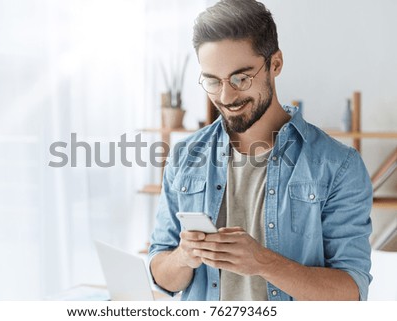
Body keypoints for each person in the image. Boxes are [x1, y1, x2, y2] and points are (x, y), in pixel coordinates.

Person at [148, 0, 372, 301]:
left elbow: (352, 293)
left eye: (241, 78)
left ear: (275, 64)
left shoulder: (338, 165)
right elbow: (161, 275)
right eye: (213, 81)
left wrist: (263, 262)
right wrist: (183, 257)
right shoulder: (185, 157)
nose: (226, 96)